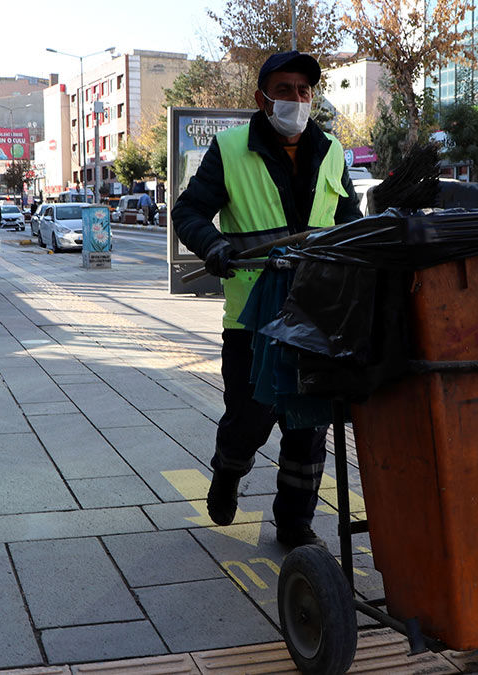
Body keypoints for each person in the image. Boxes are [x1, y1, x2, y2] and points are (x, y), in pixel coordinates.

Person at [171, 51, 362, 549]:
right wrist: (213, 247)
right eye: (284, 89)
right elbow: (188, 212)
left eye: (303, 90)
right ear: (261, 98)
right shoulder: (232, 149)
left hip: (315, 315)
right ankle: (228, 472)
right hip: (252, 318)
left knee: (309, 426)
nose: (295, 99)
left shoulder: (333, 151)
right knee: (248, 420)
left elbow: (348, 222)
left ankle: (295, 523)